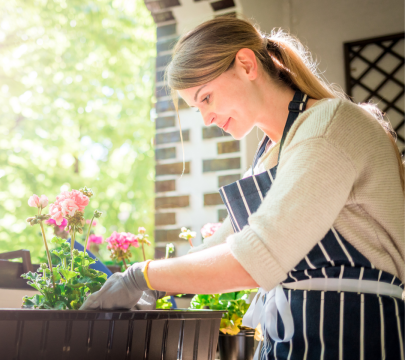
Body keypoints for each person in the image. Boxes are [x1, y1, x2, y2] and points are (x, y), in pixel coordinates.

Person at [81, 16, 404, 359]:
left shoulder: (329, 126)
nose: (206, 119)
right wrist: (157, 286)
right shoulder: (270, 153)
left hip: (352, 335)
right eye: (196, 107)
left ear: (246, 65)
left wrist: (140, 276)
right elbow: (219, 247)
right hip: (287, 339)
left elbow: (252, 259)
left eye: (206, 98)